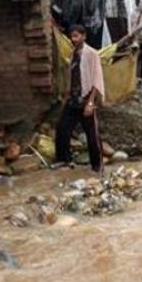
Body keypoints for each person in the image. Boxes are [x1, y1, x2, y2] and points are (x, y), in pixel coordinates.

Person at [54, 24, 105, 173]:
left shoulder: (92, 54)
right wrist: (66, 95)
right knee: (62, 128)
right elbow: (72, 75)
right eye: (72, 36)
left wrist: (90, 102)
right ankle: (64, 159)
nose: (73, 39)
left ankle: (97, 165)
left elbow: (97, 79)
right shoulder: (73, 53)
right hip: (73, 99)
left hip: (86, 98)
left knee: (92, 134)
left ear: (84, 36)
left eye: (77, 36)